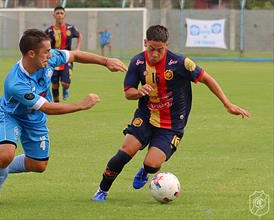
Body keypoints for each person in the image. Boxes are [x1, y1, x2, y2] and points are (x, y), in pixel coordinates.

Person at [92, 25, 250, 201]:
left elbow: (207, 79)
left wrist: (227, 104)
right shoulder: (137, 62)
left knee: (152, 164)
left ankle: (146, 171)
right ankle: (102, 190)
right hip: (146, 116)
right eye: (151, 49)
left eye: (160, 50)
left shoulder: (181, 63)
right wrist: (139, 92)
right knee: (124, 153)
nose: (155, 54)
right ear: (145, 43)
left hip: (172, 124)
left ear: (167, 45)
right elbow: (128, 92)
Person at [0, 29, 127, 207]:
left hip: (34, 118)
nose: (50, 55)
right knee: (6, 154)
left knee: (39, 165)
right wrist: (81, 105)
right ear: (31, 53)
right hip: (11, 115)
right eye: (46, 51)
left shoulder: (49, 58)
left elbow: (74, 55)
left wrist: (106, 61)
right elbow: (48, 108)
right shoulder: (16, 83)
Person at [44, 6, 83, 102]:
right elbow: (43, 42)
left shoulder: (70, 28)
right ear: (54, 15)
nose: (59, 15)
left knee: (65, 83)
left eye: (61, 13)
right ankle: (57, 103)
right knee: (55, 84)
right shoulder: (49, 31)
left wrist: (77, 49)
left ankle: (66, 89)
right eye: (57, 13)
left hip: (67, 58)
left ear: (64, 15)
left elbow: (79, 35)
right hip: (53, 59)